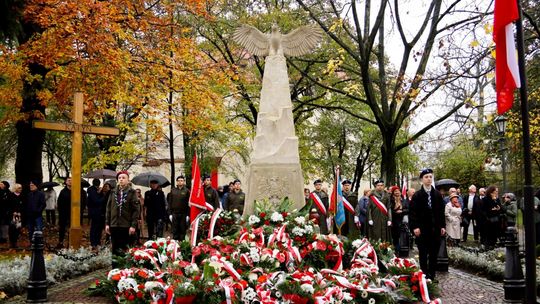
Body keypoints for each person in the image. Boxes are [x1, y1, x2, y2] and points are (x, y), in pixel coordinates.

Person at [409, 168, 445, 281]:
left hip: (435, 229)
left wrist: (443, 226)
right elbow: (413, 213)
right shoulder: (417, 196)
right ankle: (424, 275)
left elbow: (441, 212)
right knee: (423, 253)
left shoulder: (437, 195)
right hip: (422, 230)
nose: (429, 179)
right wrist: (415, 227)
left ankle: (432, 275)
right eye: (426, 177)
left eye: (430, 177)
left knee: (434, 253)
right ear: (422, 180)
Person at [105, 171, 140, 267]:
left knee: (125, 248)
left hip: (126, 225)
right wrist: (107, 224)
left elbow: (136, 211)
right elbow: (108, 209)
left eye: (123, 177)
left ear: (128, 180)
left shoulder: (132, 192)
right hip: (114, 224)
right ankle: (115, 269)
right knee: (115, 248)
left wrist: (133, 225)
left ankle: (125, 269)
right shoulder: (113, 192)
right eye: (119, 178)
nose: (121, 179)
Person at [167, 176, 190, 241]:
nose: (180, 182)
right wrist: (170, 214)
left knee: (182, 230)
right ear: (177, 182)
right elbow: (169, 203)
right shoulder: (173, 190)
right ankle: (175, 244)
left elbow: (189, 204)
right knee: (175, 230)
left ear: (184, 182)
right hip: (174, 213)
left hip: (183, 214)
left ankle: (182, 244)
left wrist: (188, 215)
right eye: (179, 180)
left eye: (181, 180)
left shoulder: (187, 191)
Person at [87, 179, 106, 250]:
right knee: (94, 228)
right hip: (95, 212)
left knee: (99, 228)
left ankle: (97, 242)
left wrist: (100, 192)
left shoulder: (96, 190)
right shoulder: (91, 190)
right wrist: (103, 196)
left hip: (99, 212)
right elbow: (97, 201)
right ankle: (93, 243)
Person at [390, 185, 408, 252]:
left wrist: (402, 211)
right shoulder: (391, 199)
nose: (397, 192)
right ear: (393, 192)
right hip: (394, 220)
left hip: (402, 219)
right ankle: (395, 249)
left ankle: (400, 249)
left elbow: (407, 209)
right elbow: (389, 210)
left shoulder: (403, 200)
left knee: (402, 235)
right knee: (395, 236)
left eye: (398, 191)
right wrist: (395, 212)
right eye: (395, 191)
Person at [57, 177, 72, 249]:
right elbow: (59, 203)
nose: (70, 182)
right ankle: (60, 242)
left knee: (72, 228)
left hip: (73, 214)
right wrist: (61, 212)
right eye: (69, 180)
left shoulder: (75, 191)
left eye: (71, 180)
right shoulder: (63, 192)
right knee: (62, 228)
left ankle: (70, 242)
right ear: (66, 182)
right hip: (63, 213)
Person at [8, 184, 23, 248]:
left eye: (21, 188)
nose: (21, 189)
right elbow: (8, 205)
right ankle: (12, 243)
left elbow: (24, 206)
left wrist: (21, 212)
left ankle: (16, 242)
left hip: (19, 216)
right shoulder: (11, 196)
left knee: (18, 229)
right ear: (16, 188)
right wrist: (12, 212)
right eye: (19, 188)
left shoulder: (22, 196)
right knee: (12, 229)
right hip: (12, 216)